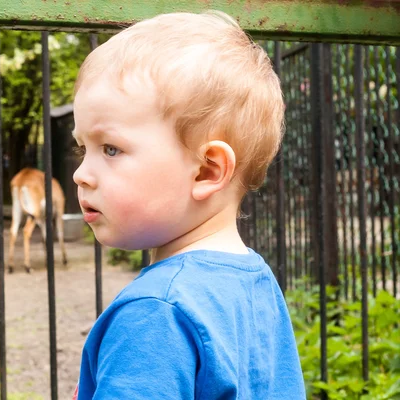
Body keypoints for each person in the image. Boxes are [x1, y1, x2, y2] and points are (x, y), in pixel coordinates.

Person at [71, 11, 305, 399]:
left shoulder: (156, 311)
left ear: (206, 171)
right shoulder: (254, 283)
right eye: (83, 148)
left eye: (111, 149)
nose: (81, 174)